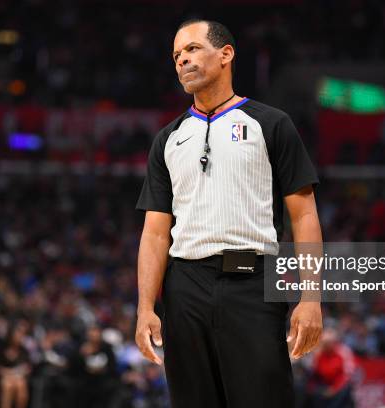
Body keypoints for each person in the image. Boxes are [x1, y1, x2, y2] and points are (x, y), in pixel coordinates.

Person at [135, 19, 323, 408]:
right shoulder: (168, 139)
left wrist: (311, 297)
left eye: (191, 49)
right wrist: (145, 308)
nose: (182, 60)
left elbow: (303, 216)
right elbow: (154, 233)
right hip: (184, 286)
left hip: (253, 280)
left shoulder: (271, 124)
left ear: (225, 54)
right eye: (176, 55)